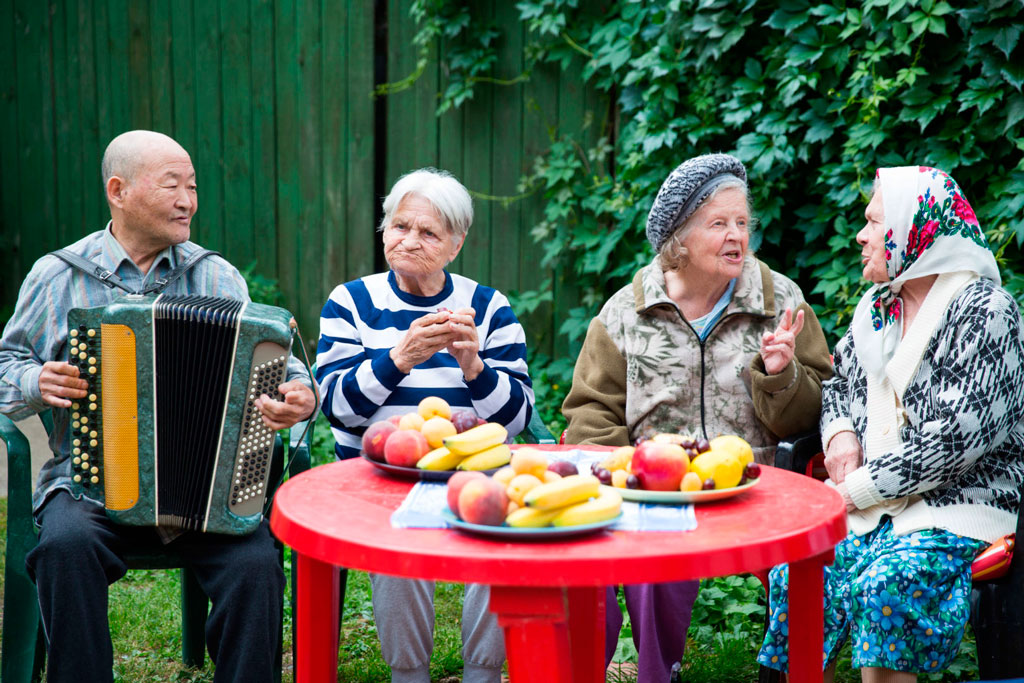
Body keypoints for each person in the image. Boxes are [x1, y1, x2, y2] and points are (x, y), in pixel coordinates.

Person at [0, 130, 317, 683]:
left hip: (207, 492)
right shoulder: (59, 277)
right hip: (89, 485)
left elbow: (279, 361)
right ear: (118, 191)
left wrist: (297, 395)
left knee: (255, 564)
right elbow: (6, 363)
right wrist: (34, 379)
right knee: (65, 548)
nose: (187, 200)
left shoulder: (215, 275)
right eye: (172, 185)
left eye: (192, 186)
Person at [562, 153, 833, 683]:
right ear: (678, 241)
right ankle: (657, 672)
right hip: (657, 487)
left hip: (758, 484)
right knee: (650, 566)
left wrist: (782, 372)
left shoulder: (781, 302)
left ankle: (786, 667)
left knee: (806, 568)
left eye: (742, 223)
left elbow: (821, 412)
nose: (736, 236)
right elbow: (590, 409)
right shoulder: (625, 311)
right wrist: (625, 472)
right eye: (718, 224)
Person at [757, 166, 1024, 681]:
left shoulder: (987, 313)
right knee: (801, 569)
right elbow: (839, 387)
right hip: (878, 508)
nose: (861, 235)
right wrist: (838, 433)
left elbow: (949, 442)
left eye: (874, 222)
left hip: (958, 508)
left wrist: (851, 490)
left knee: (886, 583)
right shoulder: (878, 309)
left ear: (914, 230)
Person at [316, 168, 534, 683]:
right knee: (398, 530)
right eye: (399, 226)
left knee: (502, 524)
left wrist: (475, 367)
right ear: (385, 229)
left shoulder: (487, 307)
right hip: (379, 475)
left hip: (472, 472)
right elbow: (336, 408)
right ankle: (408, 675)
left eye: (429, 232)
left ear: (455, 245)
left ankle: (483, 674)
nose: (409, 240)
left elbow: (518, 418)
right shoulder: (351, 303)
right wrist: (400, 356)